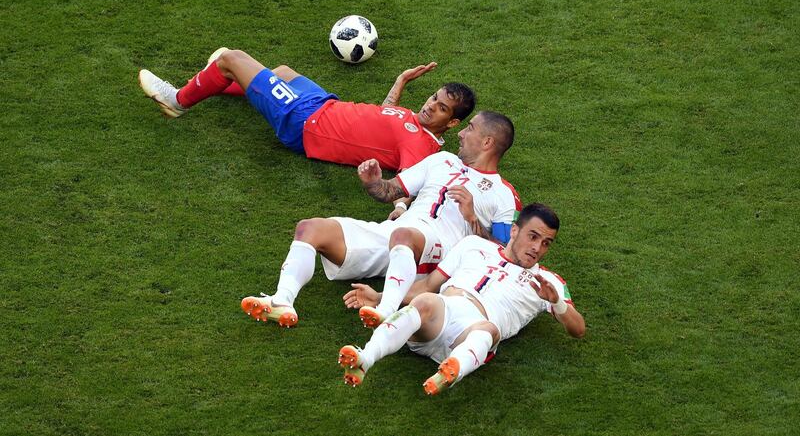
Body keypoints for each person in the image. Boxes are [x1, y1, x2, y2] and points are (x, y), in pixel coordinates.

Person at [239, 111, 521, 328]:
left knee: (404, 235)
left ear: (487, 142)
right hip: (395, 234)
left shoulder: (503, 194)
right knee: (310, 227)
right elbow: (391, 192)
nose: (461, 133)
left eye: (470, 128)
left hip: (436, 251)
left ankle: (386, 309)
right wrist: (373, 182)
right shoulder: (441, 160)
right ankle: (283, 300)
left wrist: (472, 219)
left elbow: (505, 254)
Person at [337, 203, 585, 395]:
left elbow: (578, 329)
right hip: (440, 316)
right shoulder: (472, 245)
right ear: (514, 230)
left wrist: (557, 303)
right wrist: (380, 297)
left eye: (546, 243)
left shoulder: (547, 281)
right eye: (533, 236)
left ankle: (450, 371)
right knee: (425, 300)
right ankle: (365, 359)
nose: (537, 248)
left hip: (472, 332)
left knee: (488, 329)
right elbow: (428, 284)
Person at [138, 48, 476, 171]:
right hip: (324, 104)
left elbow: (408, 182)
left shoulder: (421, 148)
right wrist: (400, 81)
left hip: (306, 123)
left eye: (441, 107)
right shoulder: (412, 122)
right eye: (434, 97)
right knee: (283, 72)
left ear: (453, 121)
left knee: (231, 57)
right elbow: (385, 115)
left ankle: (178, 100)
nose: (431, 105)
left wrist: (399, 207)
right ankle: (221, 79)